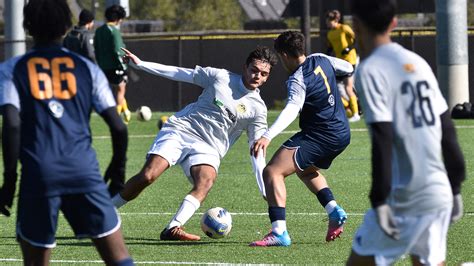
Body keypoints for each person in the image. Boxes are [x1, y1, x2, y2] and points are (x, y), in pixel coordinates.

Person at [0, 0, 133, 265]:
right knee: (119, 258)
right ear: (64, 27)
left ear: (27, 27)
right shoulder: (87, 69)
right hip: (83, 171)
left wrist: (10, 182)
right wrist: (117, 173)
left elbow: (12, 125)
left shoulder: (11, 69)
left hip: (39, 175)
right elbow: (118, 126)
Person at [111, 46, 278, 241]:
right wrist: (142, 65)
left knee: (206, 181)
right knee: (148, 176)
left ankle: (173, 228)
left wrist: (263, 187)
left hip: (210, 148)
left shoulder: (258, 110)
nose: (257, 76)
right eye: (254, 70)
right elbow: (181, 73)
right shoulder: (220, 77)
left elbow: (256, 150)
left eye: (263, 74)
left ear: (267, 77)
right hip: (181, 130)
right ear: (245, 67)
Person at [346, 0, 466, 265]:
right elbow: (447, 128)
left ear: (355, 25)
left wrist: (380, 200)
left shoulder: (371, 69)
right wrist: (455, 184)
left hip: (404, 196)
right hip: (439, 192)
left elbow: (382, 137)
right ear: (394, 23)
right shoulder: (417, 62)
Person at [249, 31, 354, 247]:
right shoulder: (321, 59)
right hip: (342, 133)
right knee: (304, 169)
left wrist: (268, 136)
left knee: (272, 171)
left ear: (286, 54)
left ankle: (279, 232)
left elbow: (291, 109)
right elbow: (348, 68)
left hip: (320, 135)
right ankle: (334, 210)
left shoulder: (297, 79)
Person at [94, 4, 131, 124]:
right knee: (121, 90)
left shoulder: (99, 31)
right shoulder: (114, 31)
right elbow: (118, 50)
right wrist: (124, 66)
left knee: (116, 91)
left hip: (103, 68)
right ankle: (115, 118)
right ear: (118, 19)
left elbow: (96, 49)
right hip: (116, 67)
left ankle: (125, 112)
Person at [326, 10, 361, 122]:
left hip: (350, 60)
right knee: (335, 88)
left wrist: (349, 48)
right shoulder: (330, 33)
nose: (328, 23)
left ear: (335, 20)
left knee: (348, 87)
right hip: (340, 63)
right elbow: (330, 48)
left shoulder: (344, 28)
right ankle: (354, 105)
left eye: (329, 21)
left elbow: (356, 39)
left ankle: (356, 114)